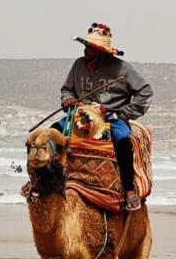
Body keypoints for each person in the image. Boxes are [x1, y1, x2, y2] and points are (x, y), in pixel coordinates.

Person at [54, 22, 153, 211]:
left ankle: (129, 190)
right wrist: (68, 100)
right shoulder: (78, 65)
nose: (85, 50)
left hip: (111, 119)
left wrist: (124, 114)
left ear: (100, 50)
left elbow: (145, 92)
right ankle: (41, 182)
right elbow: (67, 89)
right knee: (50, 135)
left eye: (89, 47)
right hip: (80, 116)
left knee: (123, 143)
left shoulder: (122, 69)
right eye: (85, 45)